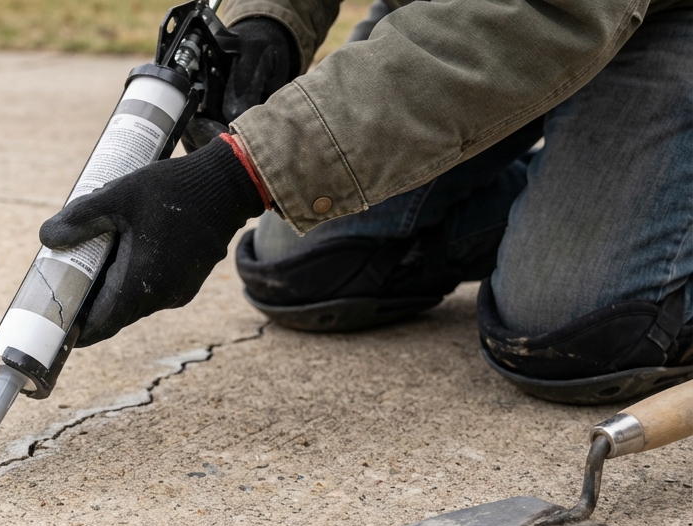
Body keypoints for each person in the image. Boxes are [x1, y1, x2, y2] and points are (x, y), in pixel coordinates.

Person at [39, 0, 693, 404]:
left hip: (644, 20)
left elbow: (540, 14)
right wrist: (269, 19)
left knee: (575, 335)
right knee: (307, 269)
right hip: (453, 11)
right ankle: (572, 195)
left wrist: (233, 180)